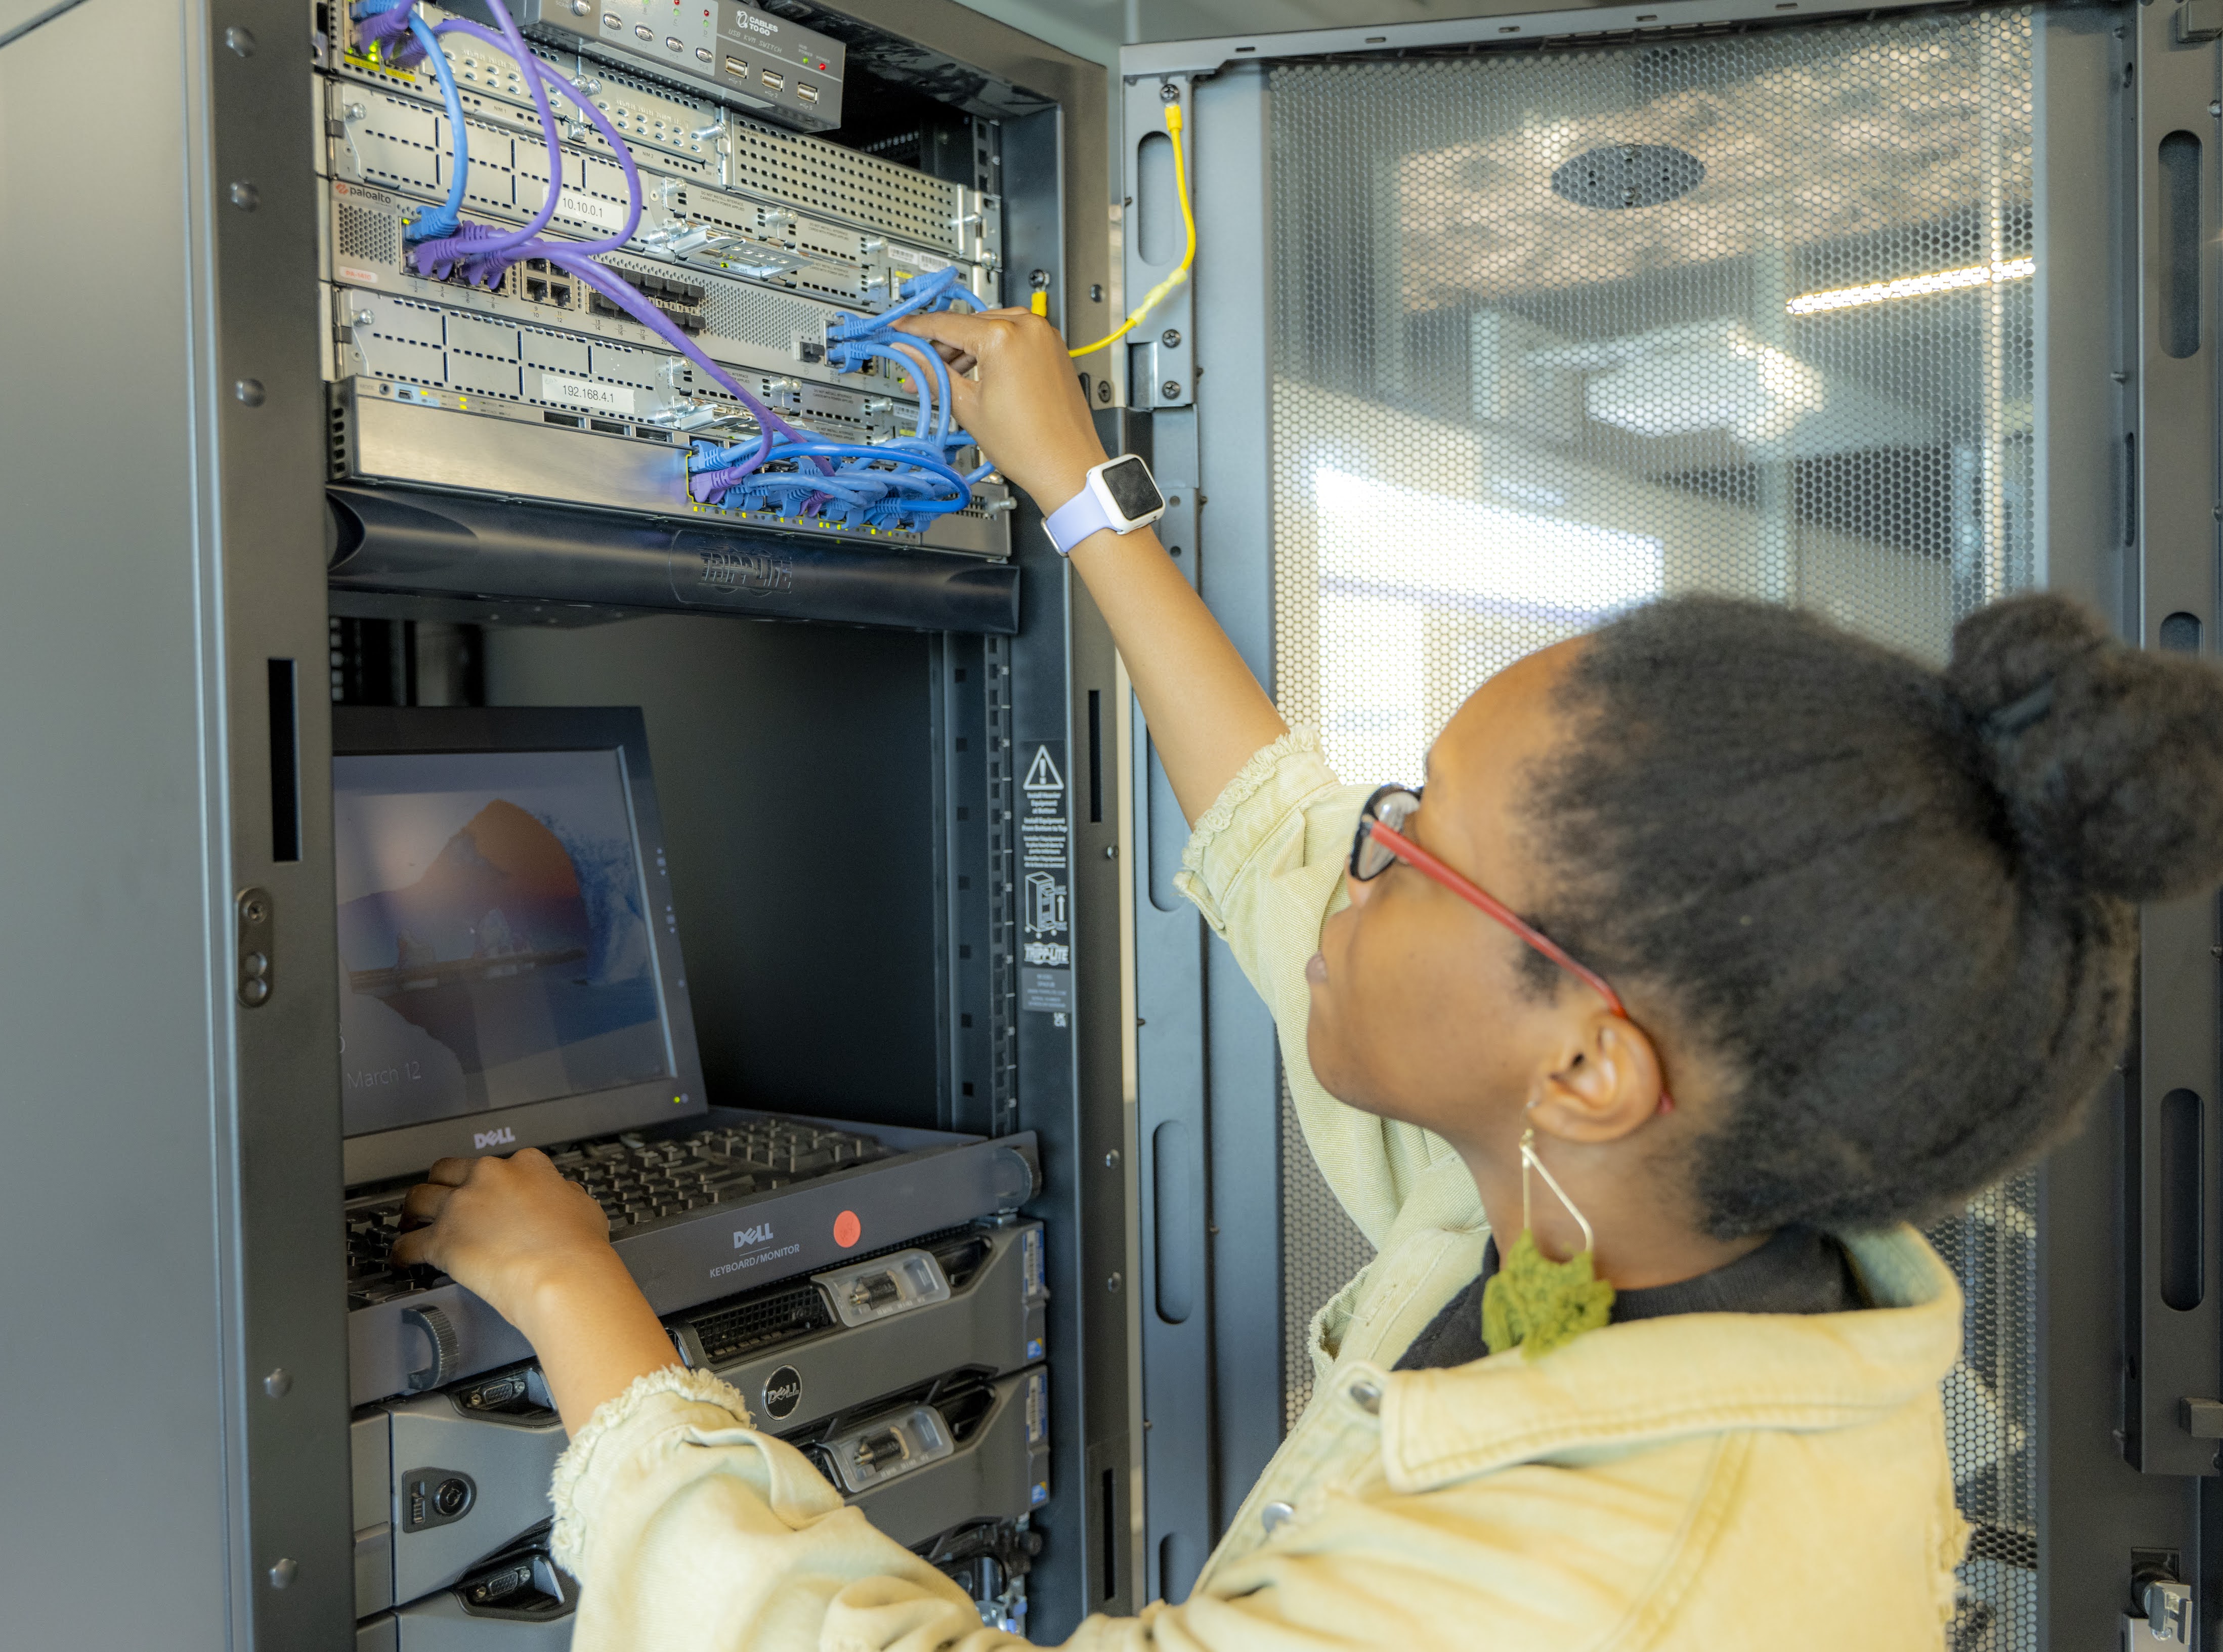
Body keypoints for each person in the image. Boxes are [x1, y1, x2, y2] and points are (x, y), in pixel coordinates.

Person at [393, 309, 2223, 1649]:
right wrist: (1077, 498)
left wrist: (587, 1318)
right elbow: (1277, 826)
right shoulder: (1656, 1224)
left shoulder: (1599, 1590)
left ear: (1589, 1064)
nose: (1360, 853)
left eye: (1414, 841)